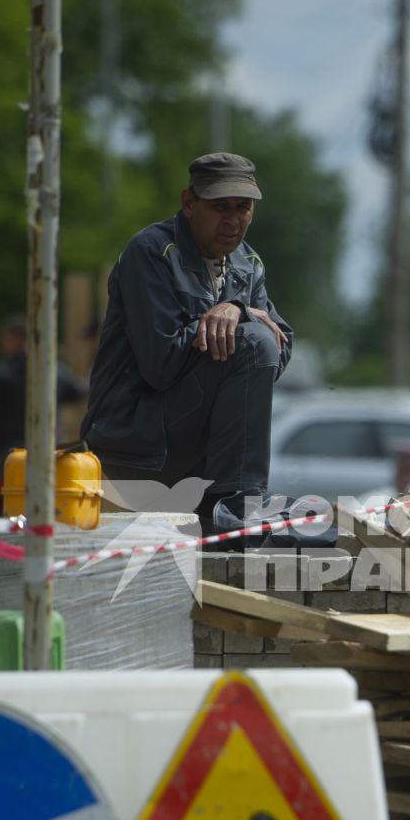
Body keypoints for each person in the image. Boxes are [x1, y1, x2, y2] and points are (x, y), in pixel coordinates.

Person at [79, 152, 294, 534]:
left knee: (255, 341)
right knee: (252, 339)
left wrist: (235, 309)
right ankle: (236, 507)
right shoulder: (151, 252)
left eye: (242, 208)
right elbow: (161, 365)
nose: (232, 220)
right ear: (188, 203)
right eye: (219, 207)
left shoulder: (248, 264)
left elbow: (276, 350)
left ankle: (232, 502)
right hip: (136, 440)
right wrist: (236, 317)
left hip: (191, 447)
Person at [0, 313, 88, 472]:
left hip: (7, 451)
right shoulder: (53, 369)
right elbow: (78, 392)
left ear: (17, 338)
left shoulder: (2, 372)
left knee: (7, 495)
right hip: (46, 448)